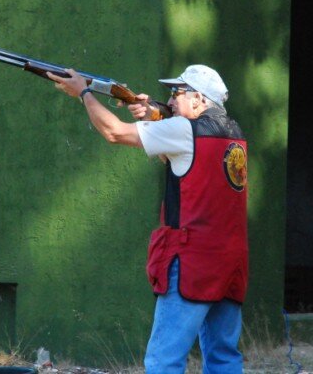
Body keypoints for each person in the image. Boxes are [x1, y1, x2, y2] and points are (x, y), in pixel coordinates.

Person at [48, 64, 248, 374]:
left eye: (176, 93)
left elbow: (114, 132)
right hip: (230, 262)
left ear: (197, 99)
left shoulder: (184, 130)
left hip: (193, 262)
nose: (170, 101)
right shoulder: (235, 134)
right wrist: (152, 114)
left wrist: (84, 93)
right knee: (223, 357)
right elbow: (185, 156)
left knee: (163, 361)